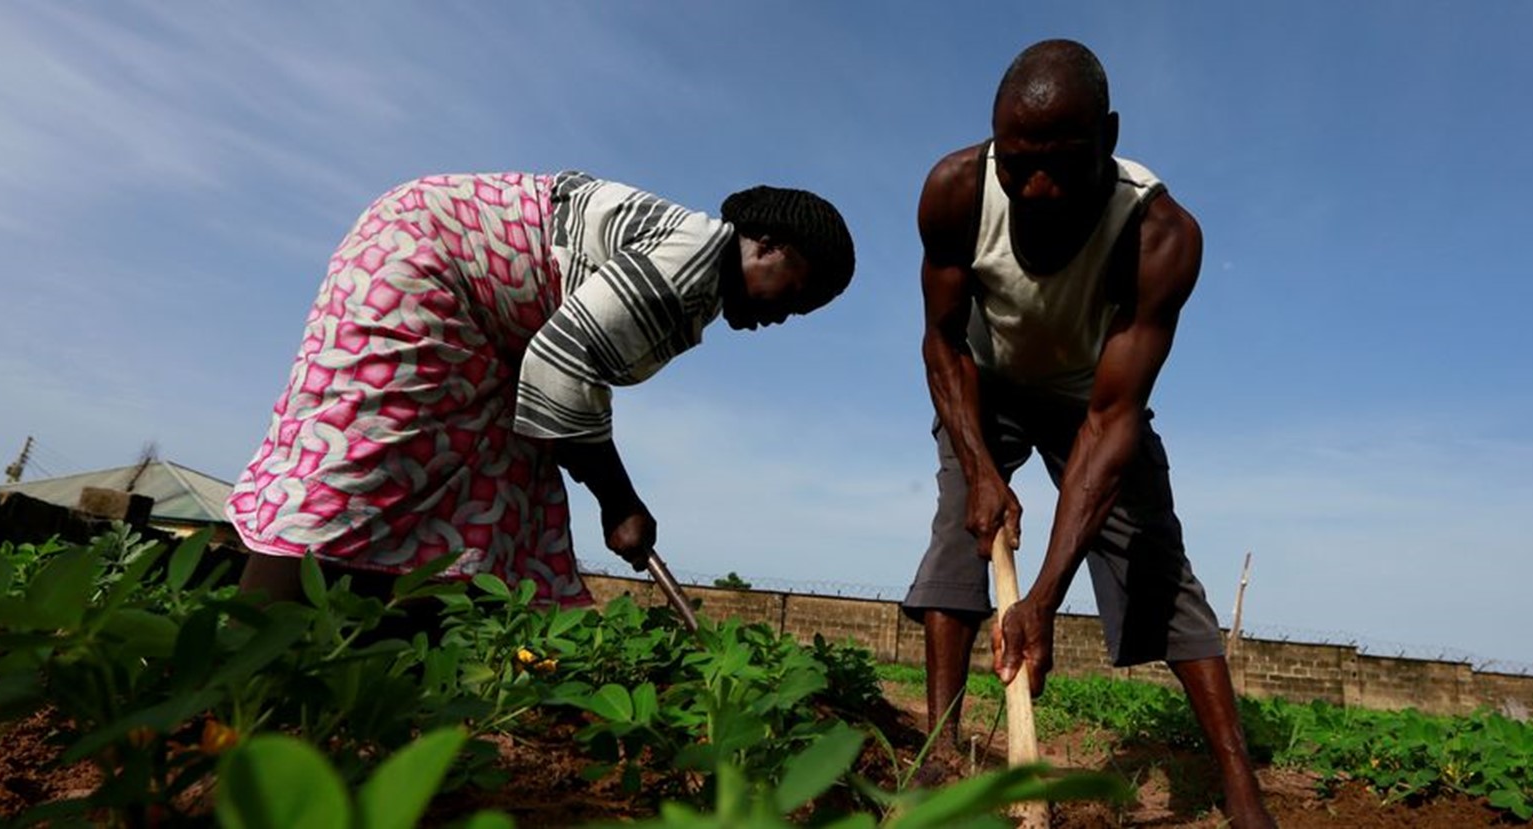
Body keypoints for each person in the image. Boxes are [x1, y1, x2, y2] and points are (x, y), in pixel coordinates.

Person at [900, 40, 1275, 827]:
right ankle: (940, 755)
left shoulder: (1159, 233)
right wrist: (978, 468)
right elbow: (943, 341)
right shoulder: (956, 191)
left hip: (1090, 401)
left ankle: (1240, 786)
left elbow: (1111, 421)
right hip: (985, 384)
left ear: (1106, 137)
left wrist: (1041, 598)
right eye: (1017, 162)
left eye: (1060, 165)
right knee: (956, 541)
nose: (1034, 188)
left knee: (1156, 560)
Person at [227, 170, 854, 610]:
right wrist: (620, 503)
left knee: (493, 480)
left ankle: (400, 656)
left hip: (483, 322)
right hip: (423, 263)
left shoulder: (693, 274)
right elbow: (563, 364)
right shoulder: (691, 260)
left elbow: (556, 373)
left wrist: (612, 493)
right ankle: (249, 657)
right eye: (797, 291)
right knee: (368, 454)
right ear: (766, 244)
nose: (785, 316)